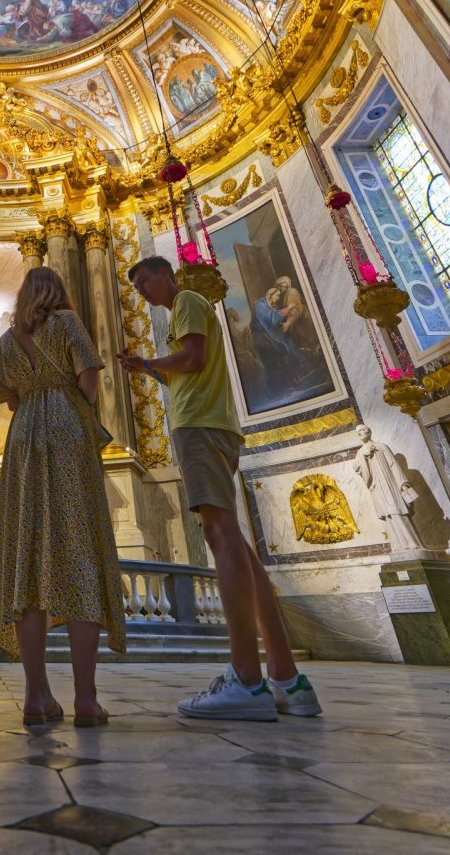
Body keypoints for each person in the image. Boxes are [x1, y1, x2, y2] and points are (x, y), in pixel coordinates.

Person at [117, 255, 321, 721]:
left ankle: (247, 681)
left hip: (201, 428)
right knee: (240, 549)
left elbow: (194, 357)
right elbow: (187, 368)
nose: (142, 291)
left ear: (165, 275)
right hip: (215, 425)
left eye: (144, 281)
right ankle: (288, 680)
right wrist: (148, 369)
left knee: (219, 538)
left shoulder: (186, 299)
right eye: (137, 287)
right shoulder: (183, 312)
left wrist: (149, 360)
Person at [0, 267, 125, 727]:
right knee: (79, 553)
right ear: (57, 292)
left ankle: (36, 697)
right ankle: (85, 699)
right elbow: (89, 377)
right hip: (67, 427)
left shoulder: (6, 340)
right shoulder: (66, 323)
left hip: (23, 437)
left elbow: (4, 397)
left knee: (27, 556)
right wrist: (69, 406)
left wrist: (33, 395)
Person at [352, 423, 425, 554]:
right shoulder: (359, 453)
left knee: (397, 510)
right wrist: (364, 456)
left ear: (369, 431)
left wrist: (402, 483)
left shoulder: (381, 447)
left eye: (362, 430)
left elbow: (393, 465)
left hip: (389, 484)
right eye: (357, 432)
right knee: (387, 515)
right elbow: (357, 468)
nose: (360, 433)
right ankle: (398, 545)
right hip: (376, 487)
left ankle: (413, 543)